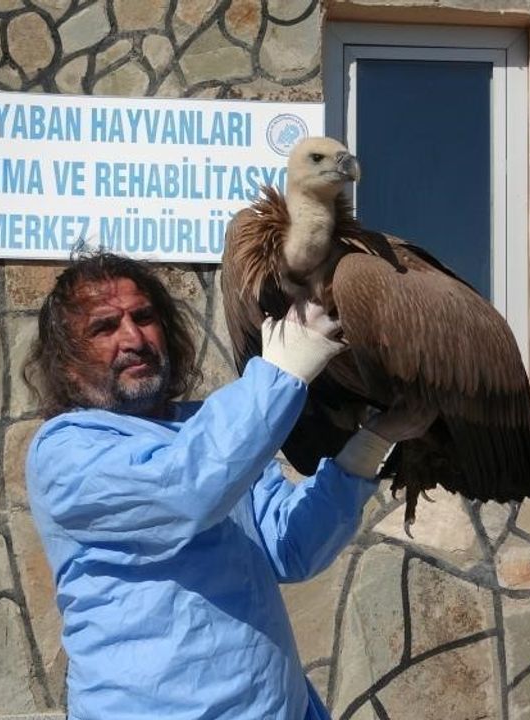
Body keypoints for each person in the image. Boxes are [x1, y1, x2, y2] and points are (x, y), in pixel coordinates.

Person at [22, 252, 434, 720]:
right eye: (104, 327)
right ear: (69, 365)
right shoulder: (64, 450)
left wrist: (371, 444)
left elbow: (290, 548)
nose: (133, 338)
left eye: (144, 317)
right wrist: (283, 370)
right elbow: (184, 490)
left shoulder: (206, 426)